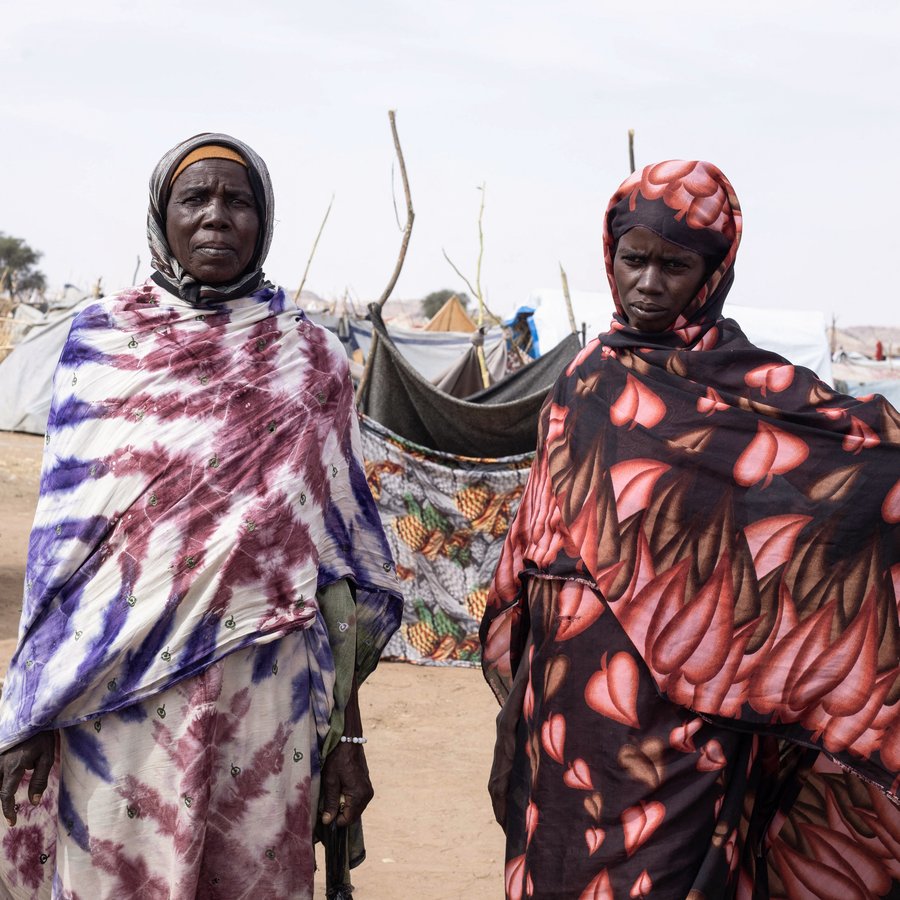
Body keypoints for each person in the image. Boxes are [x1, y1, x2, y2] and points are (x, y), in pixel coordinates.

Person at [481, 160, 900, 898]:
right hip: (569, 706)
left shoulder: (753, 393)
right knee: (562, 867)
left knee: (672, 873)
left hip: (687, 718)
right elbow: (534, 550)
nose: (647, 282)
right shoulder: (582, 382)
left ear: (715, 271)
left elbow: (859, 459)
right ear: (608, 260)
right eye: (632, 259)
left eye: (674, 265)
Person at [0, 133, 402, 899]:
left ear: (264, 221)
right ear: (163, 215)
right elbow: (60, 553)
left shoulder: (311, 359)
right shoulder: (103, 343)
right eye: (196, 197)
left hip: (264, 700)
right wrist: (34, 705)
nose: (217, 215)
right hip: (118, 700)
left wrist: (346, 735)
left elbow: (344, 570)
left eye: (238, 200)